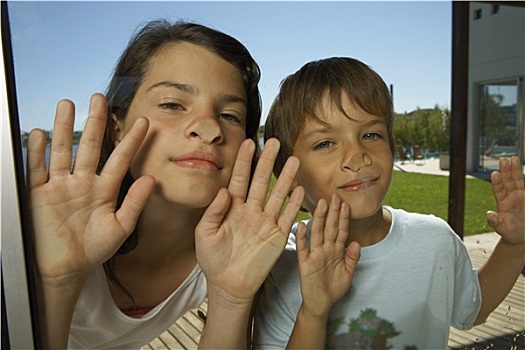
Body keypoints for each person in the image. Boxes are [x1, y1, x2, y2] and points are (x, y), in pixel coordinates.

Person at [26, 19, 305, 349]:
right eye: (172, 104)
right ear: (117, 128)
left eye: (230, 115)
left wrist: (232, 299)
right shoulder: (50, 232)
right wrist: (54, 283)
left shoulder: (233, 249)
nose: (209, 128)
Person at [253, 57, 525, 349]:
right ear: (289, 176)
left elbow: (473, 309)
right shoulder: (280, 264)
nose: (357, 156)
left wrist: (514, 244)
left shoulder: (435, 240)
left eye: (371, 135)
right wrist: (313, 312)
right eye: (325, 143)